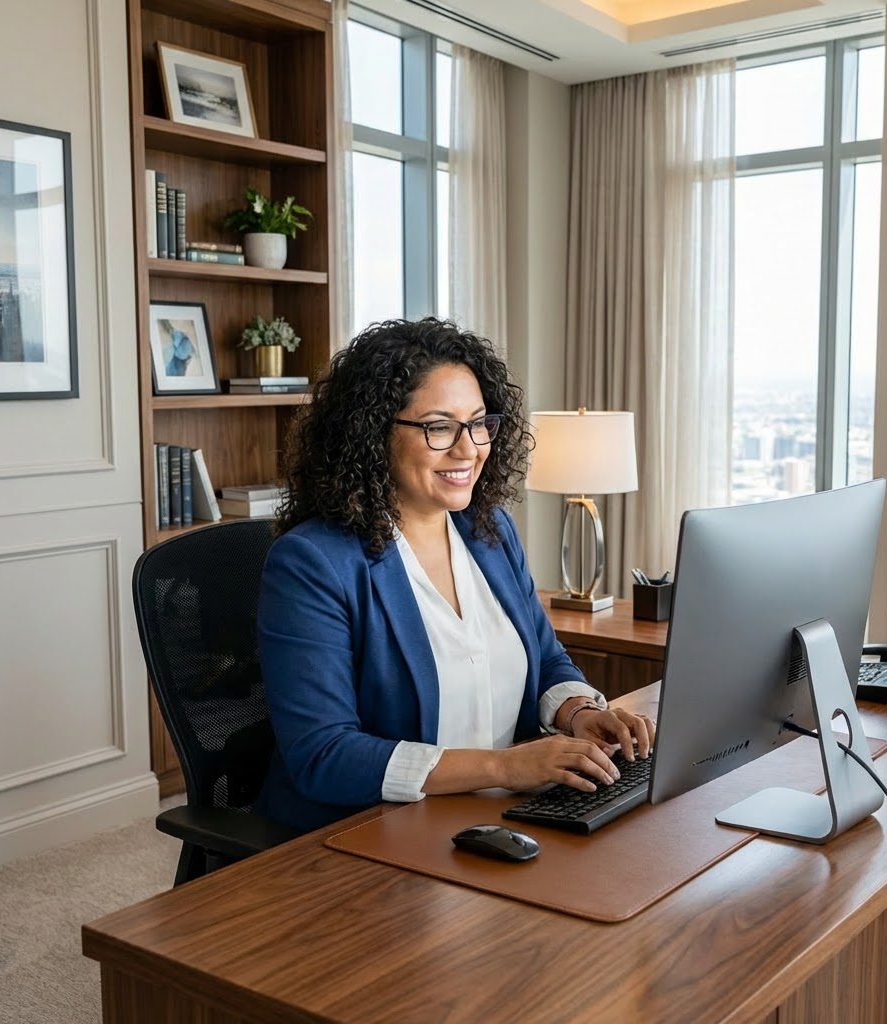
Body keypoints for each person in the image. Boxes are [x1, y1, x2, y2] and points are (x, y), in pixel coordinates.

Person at [255, 317, 655, 832]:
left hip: (491, 814)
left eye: (479, 422)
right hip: (364, 835)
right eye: (439, 427)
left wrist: (578, 711)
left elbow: (546, 656)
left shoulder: (488, 531)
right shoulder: (313, 564)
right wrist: (505, 767)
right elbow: (324, 755)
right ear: (372, 433)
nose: (469, 449)